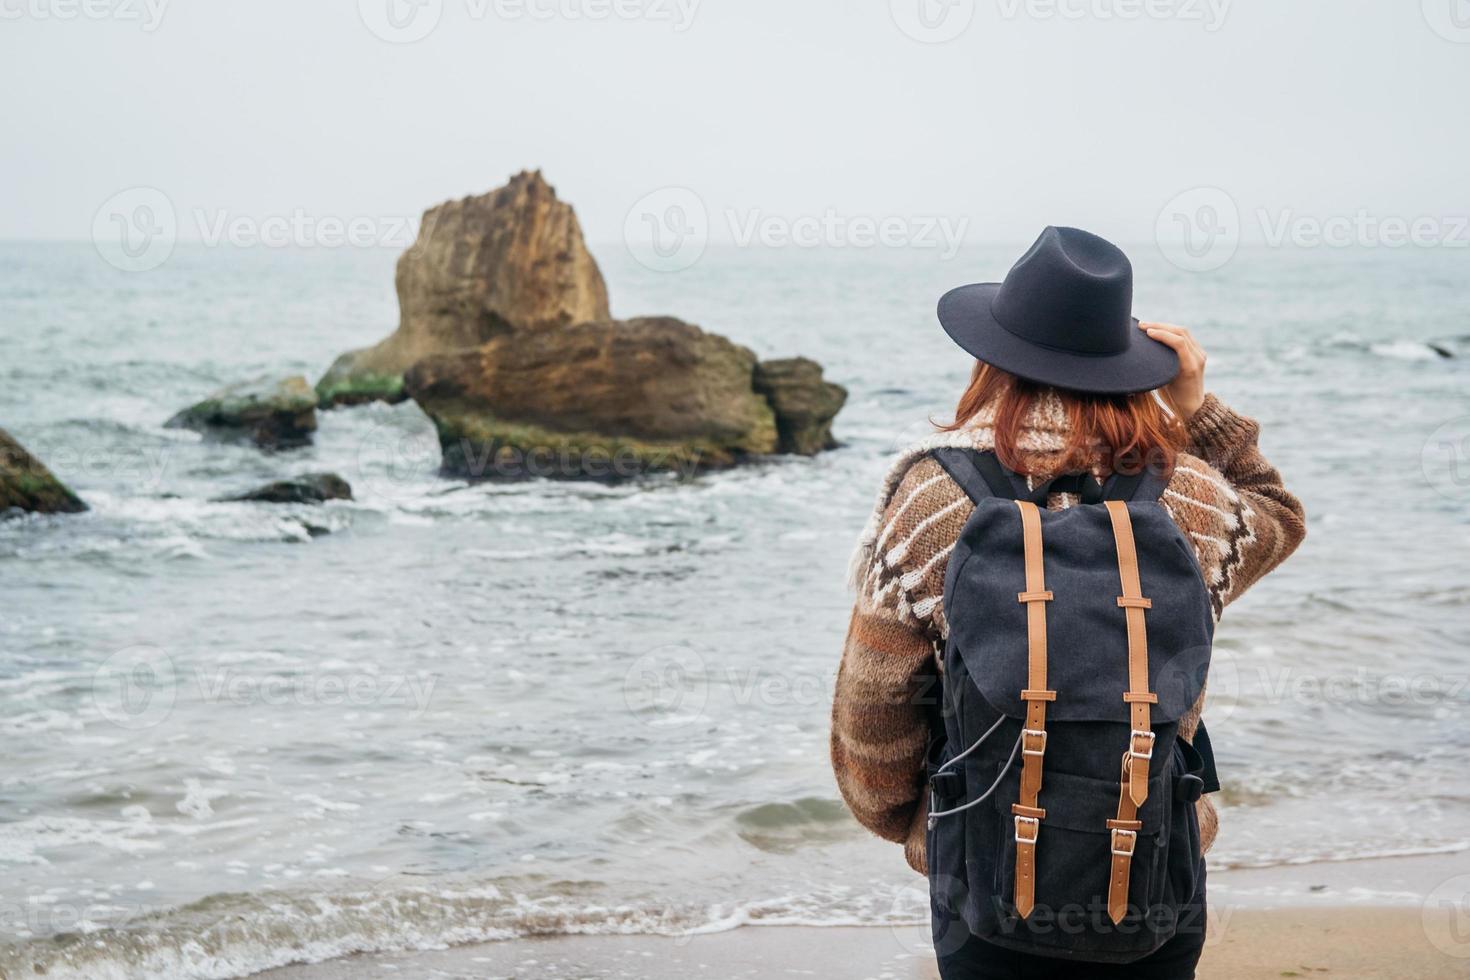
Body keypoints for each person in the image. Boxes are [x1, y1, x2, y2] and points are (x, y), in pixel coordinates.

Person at [831, 227, 1306, 979]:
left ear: (993, 358)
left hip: (983, 878)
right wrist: (1198, 409)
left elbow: (876, 706)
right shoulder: (1192, 498)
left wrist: (915, 826)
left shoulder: (930, 498)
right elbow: (1278, 513)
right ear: (1124, 364)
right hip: (1156, 874)